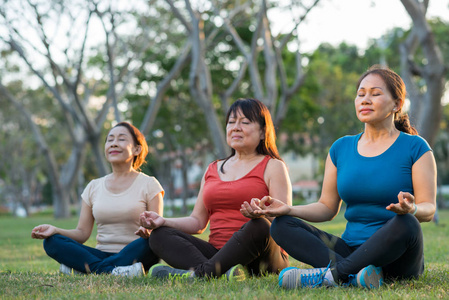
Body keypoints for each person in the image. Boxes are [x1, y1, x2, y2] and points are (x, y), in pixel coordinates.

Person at [255, 65, 437, 289]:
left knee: (407, 223)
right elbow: (326, 207)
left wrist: (413, 210)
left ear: (397, 104)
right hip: (351, 249)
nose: (365, 100)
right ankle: (356, 275)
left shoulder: (416, 147)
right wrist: (288, 209)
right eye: (361, 94)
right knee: (282, 226)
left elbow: (429, 208)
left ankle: (334, 275)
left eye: (376, 93)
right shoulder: (341, 148)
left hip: (398, 257)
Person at [140, 98, 291, 280]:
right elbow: (197, 222)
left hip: (262, 258)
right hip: (217, 255)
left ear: (262, 132)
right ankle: (218, 272)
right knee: (159, 236)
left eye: (244, 122)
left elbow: (284, 223)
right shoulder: (213, 168)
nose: (236, 127)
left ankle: (200, 274)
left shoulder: (273, 165)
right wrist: (162, 221)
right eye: (231, 122)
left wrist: (262, 213)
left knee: (260, 225)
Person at [31, 122, 164, 277]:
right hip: (100, 254)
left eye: (121, 139)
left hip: (135, 253)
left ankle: (86, 269)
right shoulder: (93, 186)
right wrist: (55, 230)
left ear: (137, 149)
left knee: (152, 243)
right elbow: (82, 233)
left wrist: (148, 231)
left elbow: (157, 231)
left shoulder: (149, 184)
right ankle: (114, 272)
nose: (114, 143)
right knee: (52, 241)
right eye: (110, 140)